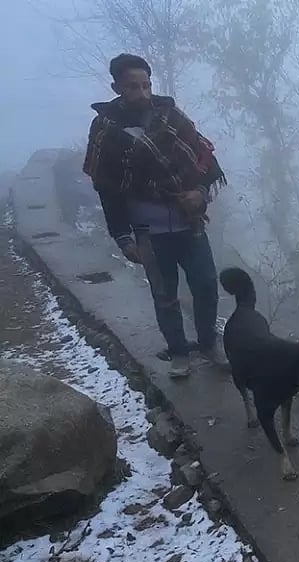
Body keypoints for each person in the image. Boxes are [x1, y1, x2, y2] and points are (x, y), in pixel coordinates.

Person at [83, 53, 228, 378]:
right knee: (164, 296)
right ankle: (179, 353)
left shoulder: (171, 117)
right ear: (117, 88)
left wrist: (199, 193)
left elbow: (206, 162)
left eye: (147, 85)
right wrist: (123, 237)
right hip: (148, 232)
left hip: (189, 225)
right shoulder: (106, 130)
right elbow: (106, 187)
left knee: (206, 284)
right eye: (133, 86)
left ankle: (208, 343)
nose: (143, 93)